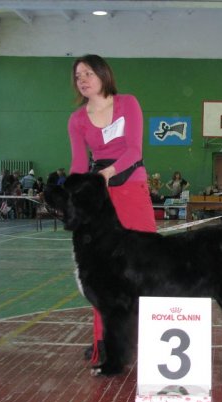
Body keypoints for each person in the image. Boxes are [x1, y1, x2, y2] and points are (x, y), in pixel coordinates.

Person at [68, 53, 157, 368]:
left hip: (132, 187)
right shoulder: (77, 119)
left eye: (89, 73)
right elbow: (79, 165)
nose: (83, 79)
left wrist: (105, 174)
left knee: (147, 267)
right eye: (78, 75)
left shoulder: (128, 104)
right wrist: (70, 193)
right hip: (99, 200)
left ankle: (149, 341)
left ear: (104, 75)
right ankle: (103, 345)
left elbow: (134, 150)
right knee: (101, 274)